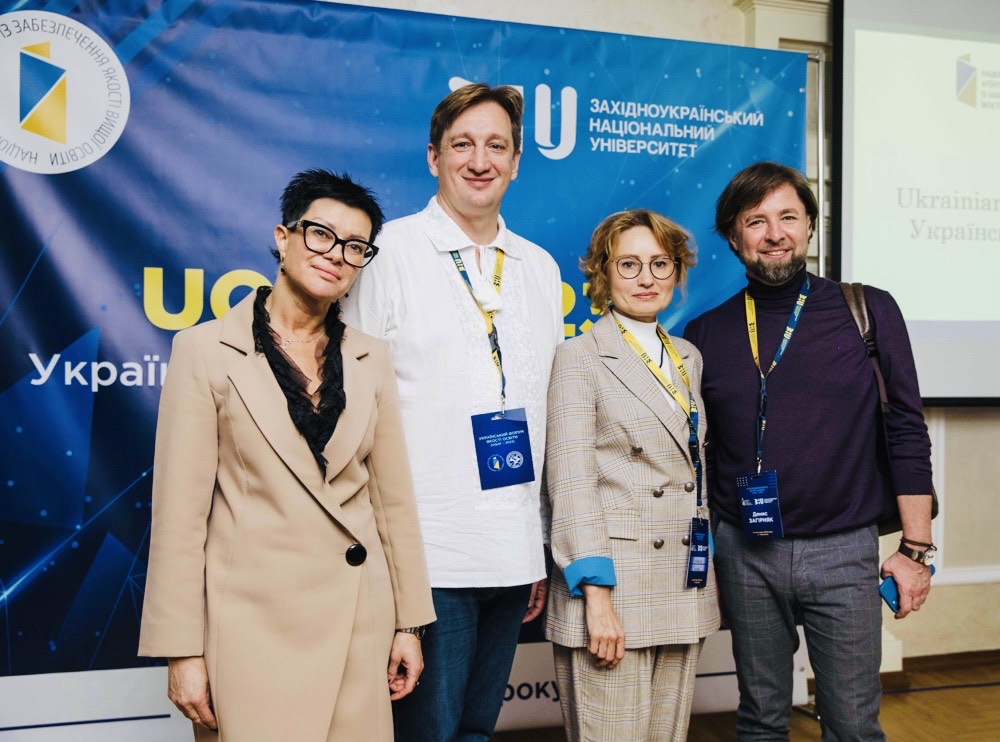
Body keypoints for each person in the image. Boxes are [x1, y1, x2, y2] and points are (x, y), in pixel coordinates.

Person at [138, 169, 435, 741]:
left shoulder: (371, 357)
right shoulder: (204, 350)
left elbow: (392, 502)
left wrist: (410, 624)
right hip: (251, 631)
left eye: (355, 247)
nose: (336, 255)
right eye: (321, 234)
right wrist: (182, 652)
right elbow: (179, 518)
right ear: (283, 236)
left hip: (358, 622)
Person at [683, 162, 935, 741]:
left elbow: (906, 431)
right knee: (760, 720)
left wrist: (916, 551)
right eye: (757, 221)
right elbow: (699, 456)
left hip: (844, 551)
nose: (775, 234)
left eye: (789, 217)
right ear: (733, 237)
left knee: (853, 725)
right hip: (745, 552)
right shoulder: (704, 334)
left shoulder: (868, 311)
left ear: (810, 226)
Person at [341, 84, 563, 741]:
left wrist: (536, 546)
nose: (480, 160)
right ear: (433, 157)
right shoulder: (389, 253)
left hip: (512, 550)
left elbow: (542, 414)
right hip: (426, 554)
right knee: (426, 734)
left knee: (476, 731)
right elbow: (356, 409)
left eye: (496, 145)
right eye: (462, 144)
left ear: (517, 161)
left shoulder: (538, 268)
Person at [544, 210, 721, 741]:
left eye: (660, 264)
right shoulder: (579, 357)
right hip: (615, 587)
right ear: (603, 273)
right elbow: (571, 482)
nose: (646, 278)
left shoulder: (688, 357)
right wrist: (597, 599)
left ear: (677, 272)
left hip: (682, 582)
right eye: (629, 264)